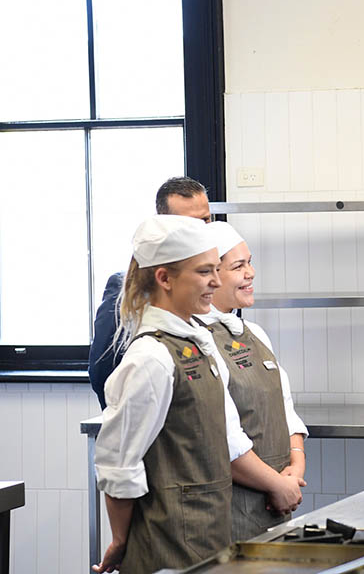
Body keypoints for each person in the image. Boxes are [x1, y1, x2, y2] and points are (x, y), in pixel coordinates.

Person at [92, 215, 303, 573]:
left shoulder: (199, 345)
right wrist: (121, 541)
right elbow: (118, 463)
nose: (217, 282)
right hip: (165, 547)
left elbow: (222, 434)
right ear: (165, 279)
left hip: (207, 539)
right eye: (206, 271)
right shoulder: (150, 358)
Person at [196, 221, 310, 541]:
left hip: (278, 500)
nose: (251, 272)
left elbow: (286, 410)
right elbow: (224, 440)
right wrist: (276, 484)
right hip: (235, 510)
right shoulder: (198, 343)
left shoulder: (255, 333)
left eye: (250, 261)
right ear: (211, 277)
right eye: (239, 266)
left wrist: (295, 466)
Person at [88, 176, 212, 409]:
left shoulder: (214, 282)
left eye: (206, 220)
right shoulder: (127, 288)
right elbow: (102, 370)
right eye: (190, 223)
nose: (202, 231)